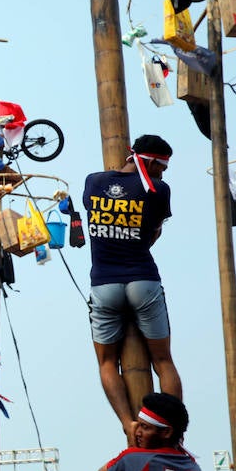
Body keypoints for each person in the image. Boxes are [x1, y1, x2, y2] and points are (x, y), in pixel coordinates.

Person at [83, 134, 182, 445]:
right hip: (142, 280)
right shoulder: (158, 191)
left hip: (104, 283)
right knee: (163, 361)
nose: (161, 176)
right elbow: (152, 234)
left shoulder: (93, 181)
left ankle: (128, 423)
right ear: (151, 162)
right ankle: (172, 430)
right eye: (161, 169)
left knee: (107, 362)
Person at [96, 392, 205, 471]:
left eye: (144, 427)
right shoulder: (194, 467)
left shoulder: (134, 458)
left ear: (166, 432)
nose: (138, 432)